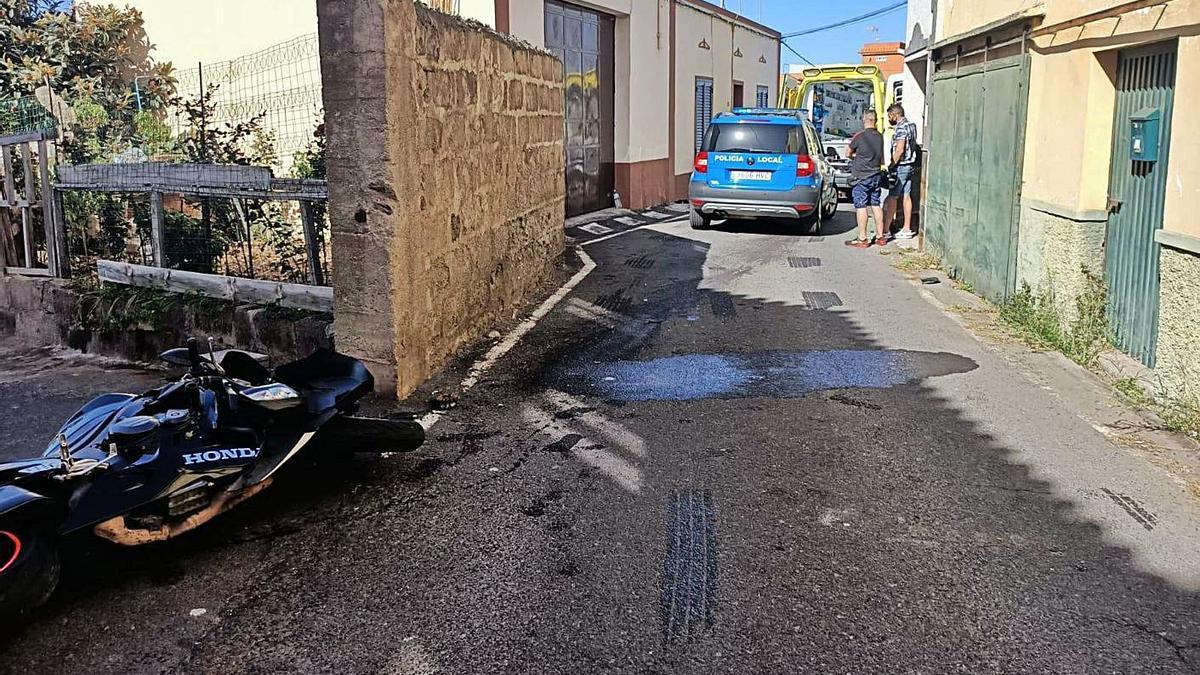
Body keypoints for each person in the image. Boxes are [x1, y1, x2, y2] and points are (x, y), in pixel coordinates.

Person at [844, 111, 886, 249]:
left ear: (864, 120)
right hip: (876, 175)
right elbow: (881, 157)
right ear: (875, 121)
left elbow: (847, 153)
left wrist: (855, 156)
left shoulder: (860, 136)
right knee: (875, 204)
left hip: (861, 176)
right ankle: (880, 236)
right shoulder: (880, 137)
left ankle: (862, 238)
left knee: (861, 206)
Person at [884, 103, 919, 240]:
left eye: (889, 116)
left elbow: (900, 149)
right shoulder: (912, 126)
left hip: (902, 165)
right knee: (906, 196)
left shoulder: (901, 128)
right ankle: (907, 228)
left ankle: (886, 229)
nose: (889, 118)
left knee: (893, 197)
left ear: (894, 115)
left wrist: (892, 164)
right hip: (911, 164)